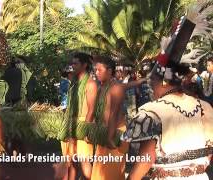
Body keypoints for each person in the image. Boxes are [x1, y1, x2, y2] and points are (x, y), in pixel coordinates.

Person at [122, 4, 213, 179]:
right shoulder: (204, 107)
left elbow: (146, 159)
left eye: (153, 80)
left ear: (164, 80)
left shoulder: (151, 111)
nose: (150, 85)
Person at [91, 56, 129, 180]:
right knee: (100, 173)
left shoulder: (116, 87)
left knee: (111, 174)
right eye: (95, 70)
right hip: (105, 133)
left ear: (109, 70)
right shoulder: (102, 87)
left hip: (114, 133)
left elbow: (113, 114)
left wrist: (109, 138)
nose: (96, 73)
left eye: (99, 70)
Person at [62, 52, 98, 180]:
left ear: (84, 65)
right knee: (71, 161)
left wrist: (86, 130)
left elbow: (91, 109)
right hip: (70, 124)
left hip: (83, 124)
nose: (73, 66)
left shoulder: (90, 84)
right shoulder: (73, 83)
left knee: (84, 160)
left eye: (75, 63)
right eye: (72, 63)